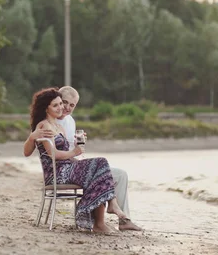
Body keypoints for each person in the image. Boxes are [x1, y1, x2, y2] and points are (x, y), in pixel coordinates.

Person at [24, 86, 141, 231]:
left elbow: (69, 150)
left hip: (69, 166)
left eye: (68, 105)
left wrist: (77, 144)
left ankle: (109, 218)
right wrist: (74, 152)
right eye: (60, 104)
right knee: (99, 165)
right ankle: (102, 215)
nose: (63, 107)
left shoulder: (64, 124)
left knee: (105, 168)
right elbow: (53, 154)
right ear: (47, 108)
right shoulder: (44, 126)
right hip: (60, 172)